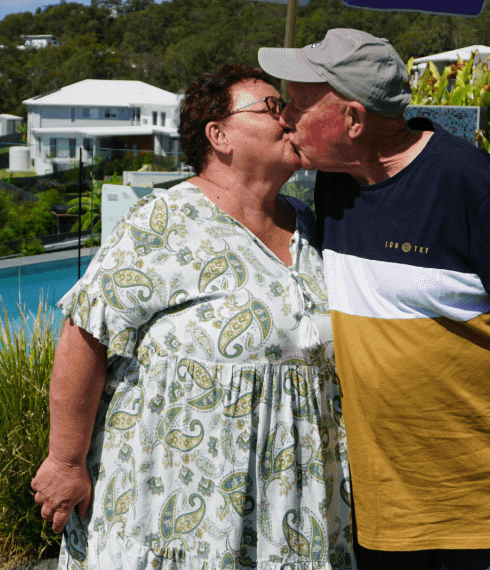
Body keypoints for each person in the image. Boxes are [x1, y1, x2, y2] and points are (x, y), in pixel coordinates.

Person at [259, 29, 490, 570]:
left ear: (353, 120)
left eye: (298, 107)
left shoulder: (468, 183)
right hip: (385, 514)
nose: (285, 120)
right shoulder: (336, 183)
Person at [31, 65, 354, 570]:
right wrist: (65, 461)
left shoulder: (311, 225)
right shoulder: (164, 222)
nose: (290, 118)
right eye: (272, 107)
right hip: (179, 494)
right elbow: (84, 335)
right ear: (218, 135)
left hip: (289, 497)